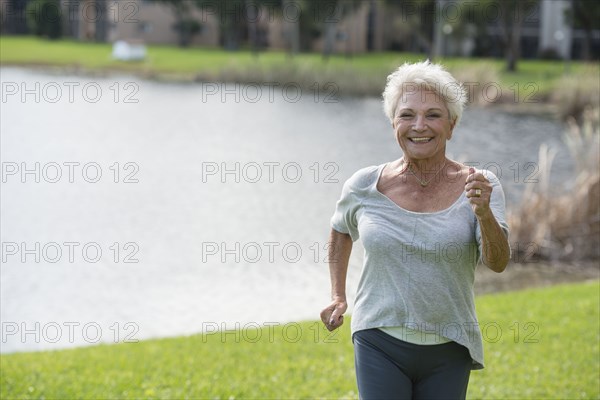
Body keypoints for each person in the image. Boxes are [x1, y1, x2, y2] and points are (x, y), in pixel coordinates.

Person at [320, 60, 510, 400]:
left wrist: (483, 213)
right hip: (378, 338)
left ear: (452, 125)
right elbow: (340, 230)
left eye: (433, 115)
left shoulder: (480, 185)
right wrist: (338, 294)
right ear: (393, 123)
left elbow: (497, 262)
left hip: (450, 344)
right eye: (407, 115)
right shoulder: (365, 184)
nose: (419, 126)